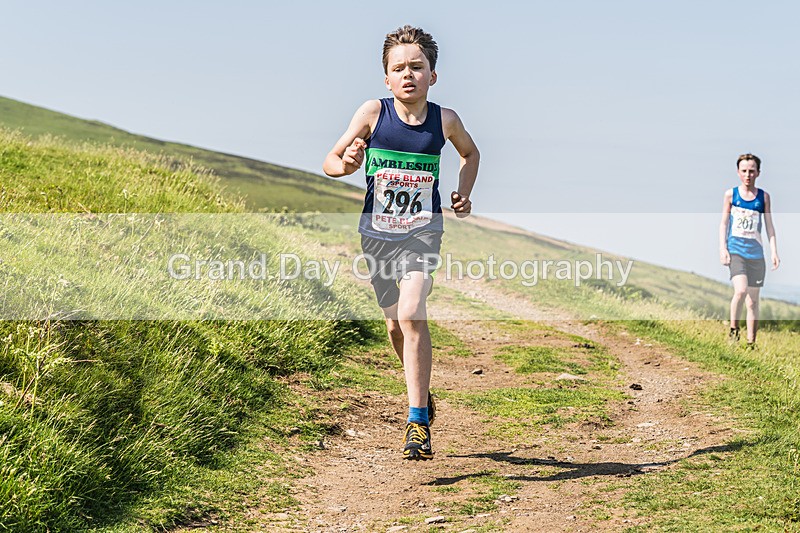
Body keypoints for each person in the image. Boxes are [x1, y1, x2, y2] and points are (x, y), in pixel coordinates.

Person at [323, 25, 479, 460]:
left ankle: (416, 421)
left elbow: (471, 154)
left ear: (433, 74)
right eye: (399, 68)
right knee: (394, 326)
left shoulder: (444, 120)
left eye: (418, 66)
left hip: (422, 231)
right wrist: (349, 163)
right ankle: (423, 394)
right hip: (376, 236)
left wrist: (464, 192)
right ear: (386, 78)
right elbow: (330, 160)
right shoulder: (373, 113)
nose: (408, 74)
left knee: (412, 313)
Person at [719, 153, 780, 348]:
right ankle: (734, 330)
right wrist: (723, 249)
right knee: (741, 291)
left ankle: (751, 343)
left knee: (753, 302)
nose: (748, 175)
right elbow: (723, 223)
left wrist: (774, 251)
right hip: (736, 251)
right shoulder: (731, 195)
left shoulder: (763, 197)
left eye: (751, 171)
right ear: (738, 172)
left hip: (756, 254)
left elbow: (769, 225)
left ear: (758, 173)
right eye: (744, 171)